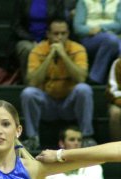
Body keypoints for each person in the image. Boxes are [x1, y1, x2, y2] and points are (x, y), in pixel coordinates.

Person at [20, 17, 96, 153]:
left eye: (63, 33)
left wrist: (63, 55)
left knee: (84, 89)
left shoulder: (77, 49)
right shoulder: (38, 50)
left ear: (68, 34)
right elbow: (32, 81)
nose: (59, 37)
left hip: (69, 104)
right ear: (48, 34)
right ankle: (32, 138)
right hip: (47, 104)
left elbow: (81, 78)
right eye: (56, 34)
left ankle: (86, 137)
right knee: (28, 93)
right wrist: (50, 56)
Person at [9, 0, 67, 80]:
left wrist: (49, 39)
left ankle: (52, 83)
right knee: (28, 49)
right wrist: (32, 39)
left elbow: (60, 21)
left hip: (50, 38)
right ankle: (29, 83)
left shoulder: (57, 1)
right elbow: (16, 25)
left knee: (56, 47)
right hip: (26, 38)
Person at [72, 0, 121, 85]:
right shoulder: (84, 1)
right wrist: (89, 30)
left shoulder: (119, 2)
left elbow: (120, 25)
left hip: (115, 38)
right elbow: (78, 27)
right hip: (91, 38)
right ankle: (95, 78)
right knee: (111, 41)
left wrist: (101, 28)